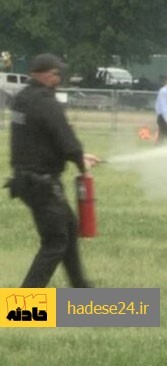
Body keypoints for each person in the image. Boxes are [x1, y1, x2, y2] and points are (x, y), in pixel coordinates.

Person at [5, 53, 101, 288]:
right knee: (55, 240)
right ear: (45, 74)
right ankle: (24, 305)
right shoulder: (46, 102)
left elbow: (40, 139)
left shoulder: (23, 99)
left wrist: (77, 156)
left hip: (25, 180)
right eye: (56, 73)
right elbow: (65, 138)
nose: (59, 78)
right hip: (41, 183)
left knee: (68, 228)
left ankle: (81, 288)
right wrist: (79, 160)